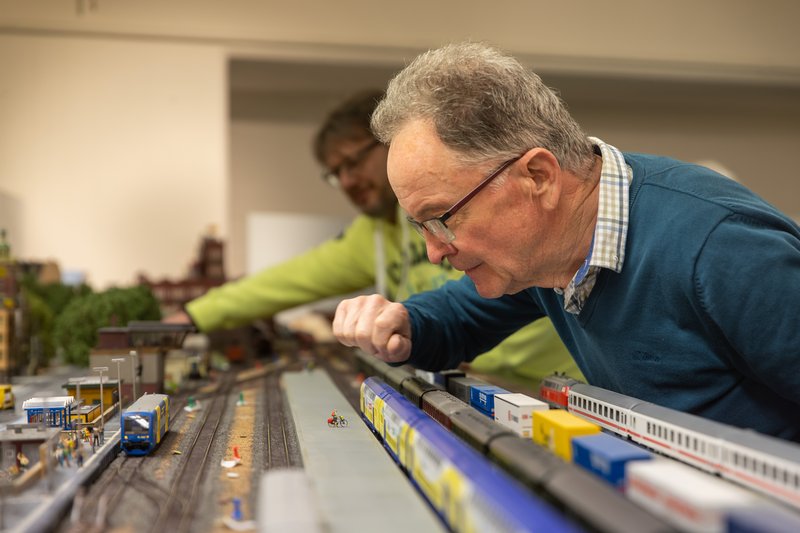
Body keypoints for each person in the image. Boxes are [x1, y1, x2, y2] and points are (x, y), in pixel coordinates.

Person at [331, 42, 800, 441]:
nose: (435, 251)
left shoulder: (722, 247)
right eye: (423, 227)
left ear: (538, 176)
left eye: (443, 218)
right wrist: (403, 325)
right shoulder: (544, 254)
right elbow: (459, 317)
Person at [166, 89, 582, 384]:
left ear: (395, 146)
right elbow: (287, 280)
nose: (347, 181)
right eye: (336, 173)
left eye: (353, 162)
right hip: (469, 378)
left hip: (553, 384)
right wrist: (195, 316)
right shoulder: (373, 234)